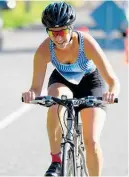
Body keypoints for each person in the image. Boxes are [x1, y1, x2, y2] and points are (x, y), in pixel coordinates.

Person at [22, 2, 120, 176]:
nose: (58, 38)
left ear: (71, 28)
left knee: (92, 143)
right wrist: (32, 94)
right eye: (53, 32)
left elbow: (113, 80)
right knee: (54, 103)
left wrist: (112, 93)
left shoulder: (86, 43)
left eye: (63, 31)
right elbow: (36, 88)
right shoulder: (44, 50)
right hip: (62, 81)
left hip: (90, 83)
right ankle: (56, 161)